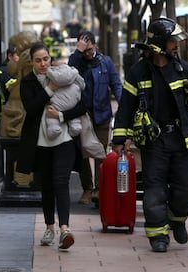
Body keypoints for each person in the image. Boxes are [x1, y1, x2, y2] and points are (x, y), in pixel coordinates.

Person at [111, 17, 188, 252]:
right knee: (154, 190)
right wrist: (120, 139)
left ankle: (177, 219)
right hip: (154, 142)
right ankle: (158, 235)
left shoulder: (184, 70)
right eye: (172, 41)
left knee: (187, 189)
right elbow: (126, 108)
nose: (176, 45)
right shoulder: (138, 72)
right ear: (159, 43)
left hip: (183, 140)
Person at [15, 42, 85, 250]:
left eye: (46, 59)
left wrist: (61, 115)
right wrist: (49, 90)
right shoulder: (27, 82)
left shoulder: (61, 75)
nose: (43, 64)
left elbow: (81, 104)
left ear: (50, 59)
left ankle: (65, 228)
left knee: (61, 181)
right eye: (38, 60)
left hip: (63, 140)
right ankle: (49, 227)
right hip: (40, 143)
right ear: (32, 63)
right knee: (46, 185)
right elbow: (32, 108)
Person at [68, 31, 123, 206]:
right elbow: (69, 72)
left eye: (90, 49)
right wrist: (78, 53)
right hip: (82, 114)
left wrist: (125, 107)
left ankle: (99, 190)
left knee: (100, 152)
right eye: (85, 50)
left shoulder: (105, 62)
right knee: (84, 152)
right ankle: (87, 188)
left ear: (95, 45)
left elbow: (116, 85)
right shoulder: (77, 61)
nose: (88, 54)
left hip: (102, 114)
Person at [0, 46, 19, 130]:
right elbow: (14, 90)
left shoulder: (15, 70)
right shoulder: (5, 71)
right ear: (10, 56)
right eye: (18, 55)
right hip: (5, 114)